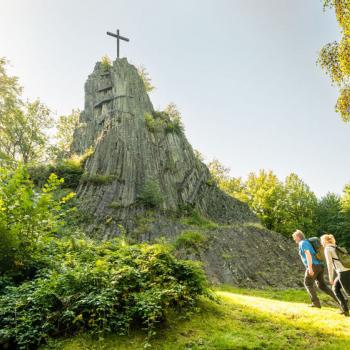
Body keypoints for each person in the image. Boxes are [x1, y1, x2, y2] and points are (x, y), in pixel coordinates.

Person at [292, 229, 340, 309]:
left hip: (314, 266)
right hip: (320, 265)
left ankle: (316, 303)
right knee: (322, 285)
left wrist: (310, 268)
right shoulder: (307, 242)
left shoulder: (302, 243)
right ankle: (341, 300)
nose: (294, 240)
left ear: (298, 237)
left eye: (294, 237)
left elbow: (308, 255)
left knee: (308, 283)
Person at [321, 233, 350, 316]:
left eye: (321, 241)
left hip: (343, 272)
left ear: (325, 241)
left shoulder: (327, 249)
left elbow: (329, 264)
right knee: (335, 288)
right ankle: (345, 310)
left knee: (348, 293)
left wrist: (330, 277)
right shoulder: (335, 246)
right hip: (346, 270)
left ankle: (345, 310)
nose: (321, 243)